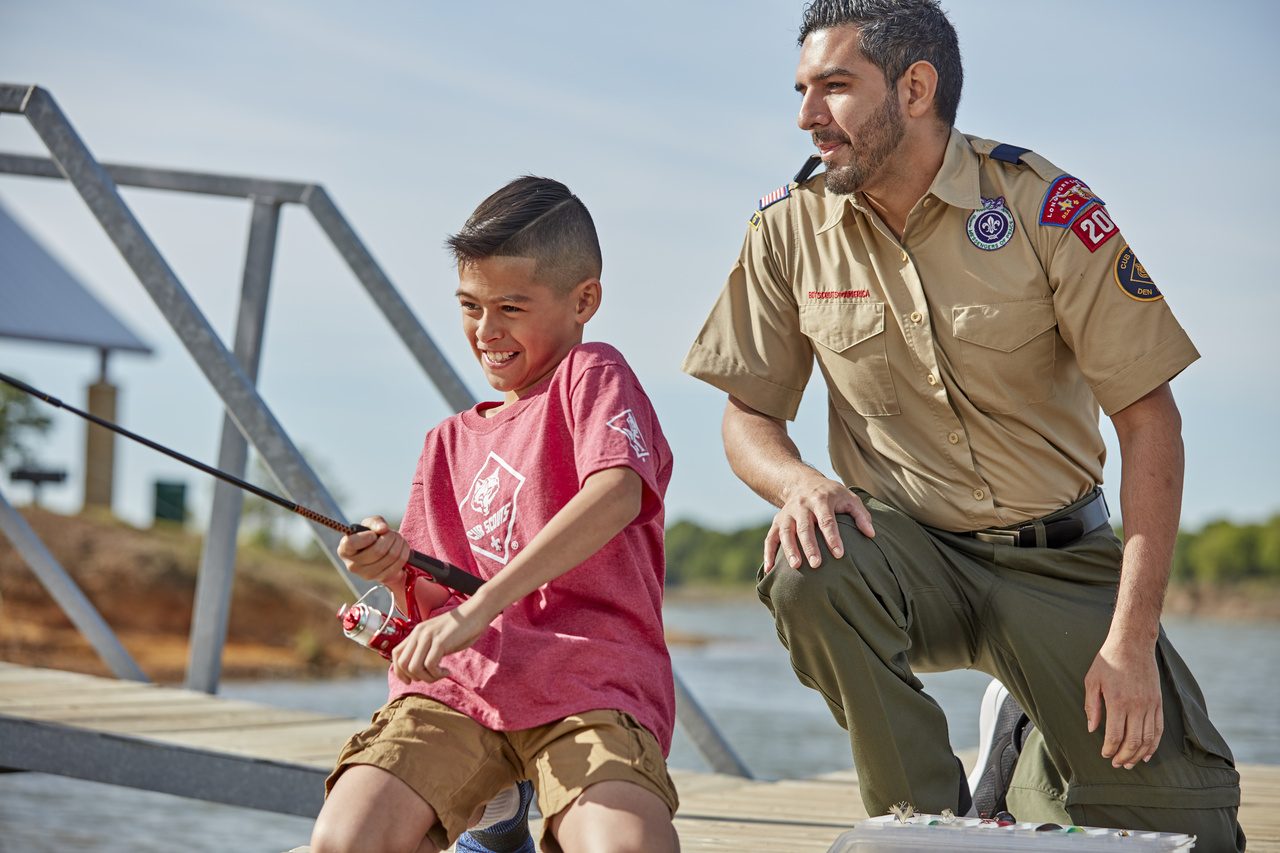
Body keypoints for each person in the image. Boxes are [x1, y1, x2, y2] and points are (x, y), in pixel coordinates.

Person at [681, 1, 1244, 847]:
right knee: (809, 568)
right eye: (802, 90)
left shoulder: (1045, 207)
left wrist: (1130, 641)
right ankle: (922, 825)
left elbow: (1150, 420)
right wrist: (796, 483)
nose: (806, 115)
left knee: (1195, 835)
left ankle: (1019, 746)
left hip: (1058, 560)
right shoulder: (787, 228)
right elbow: (747, 415)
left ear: (915, 89)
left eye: (834, 87)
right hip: (908, 555)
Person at [311, 176, 680, 853]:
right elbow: (433, 603)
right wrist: (392, 569)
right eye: (470, 306)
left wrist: (482, 607)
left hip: (588, 684)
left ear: (584, 300)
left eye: (511, 307)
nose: (486, 331)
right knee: (344, 839)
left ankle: (500, 815)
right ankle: (497, 813)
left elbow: (617, 491)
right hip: (462, 692)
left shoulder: (592, 374)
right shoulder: (445, 443)